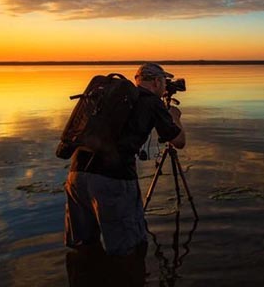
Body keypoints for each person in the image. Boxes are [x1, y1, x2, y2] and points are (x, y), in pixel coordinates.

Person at [64, 63, 185, 286]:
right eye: (164, 83)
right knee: (128, 249)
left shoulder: (112, 97)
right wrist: (174, 116)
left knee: (83, 244)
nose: (165, 88)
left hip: (76, 175)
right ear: (157, 82)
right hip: (114, 180)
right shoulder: (151, 102)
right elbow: (178, 141)